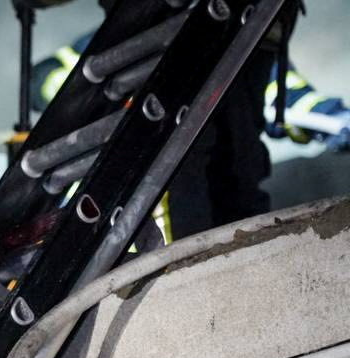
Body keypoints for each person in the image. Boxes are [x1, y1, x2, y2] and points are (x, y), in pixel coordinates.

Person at [28, 6, 348, 239]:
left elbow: (291, 100)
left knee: (232, 193)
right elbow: (44, 77)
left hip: (226, 39)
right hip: (154, 222)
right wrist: (104, 106)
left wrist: (336, 121)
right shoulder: (123, 48)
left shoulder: (247, 42)